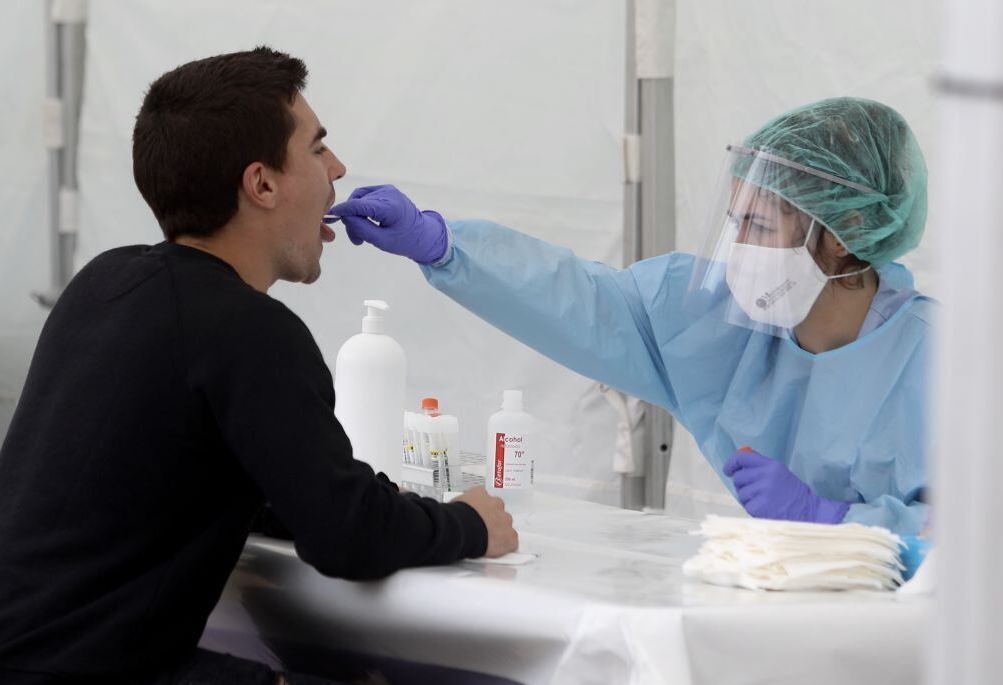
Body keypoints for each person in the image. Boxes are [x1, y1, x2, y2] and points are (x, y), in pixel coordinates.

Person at [0, 47, 517, 685]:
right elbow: (348, 538)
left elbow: (189, 464)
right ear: (262, 185)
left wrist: (348, 499)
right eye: (318, 147)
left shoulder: (104, 283)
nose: (338, 170)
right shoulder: (250, 330)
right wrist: (468, 524)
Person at [330, 97, 933, 535]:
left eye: (758, 225)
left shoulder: (940, 361)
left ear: (846, 234)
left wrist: (841, 522)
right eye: (733, 222)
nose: (736, 251)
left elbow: (981, 543)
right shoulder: (715, 318)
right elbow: (581, 304)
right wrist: (447, 247)